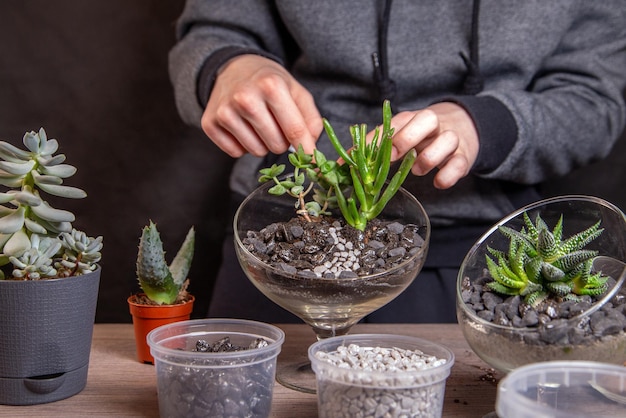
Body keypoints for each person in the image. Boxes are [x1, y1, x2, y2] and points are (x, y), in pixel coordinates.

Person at [169, 1, 626, 323]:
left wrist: (481, 125)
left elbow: (594, 100)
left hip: (478, 246)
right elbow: (214, 29)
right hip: (280, 237)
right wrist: (229, 67)